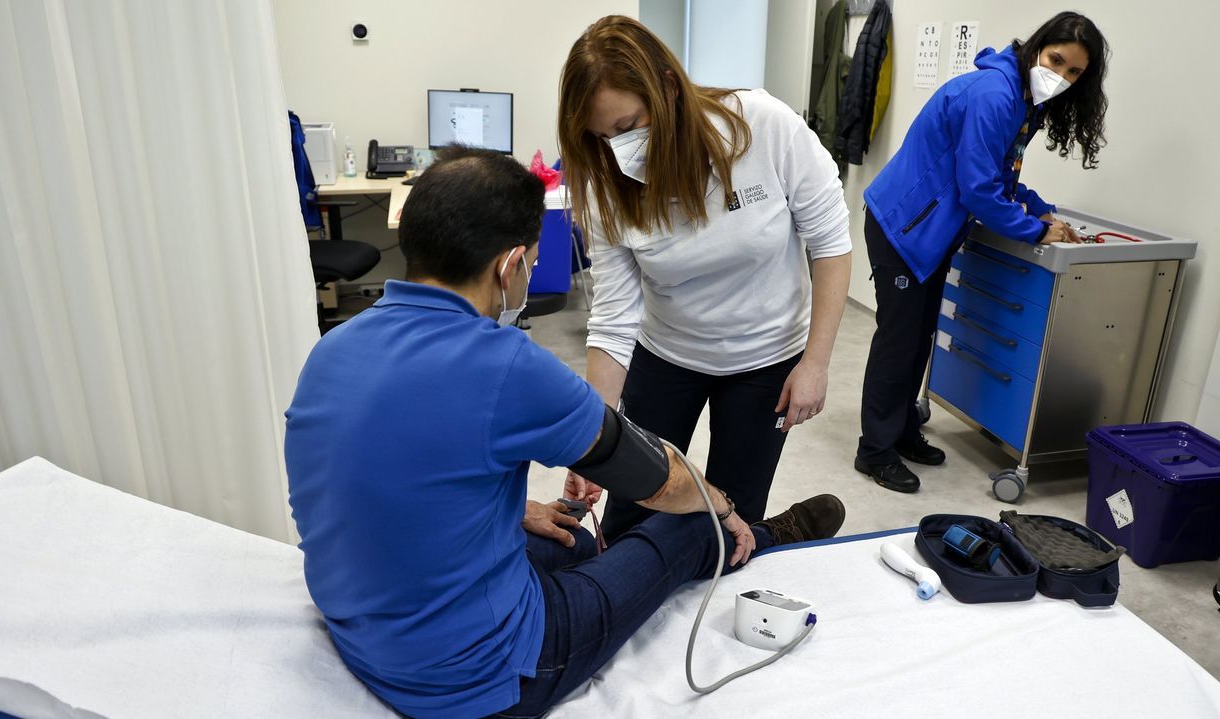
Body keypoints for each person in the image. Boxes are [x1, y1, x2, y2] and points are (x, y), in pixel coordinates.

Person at [283, 146, 846, 719]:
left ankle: (654, 546)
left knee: (573, 539)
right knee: (689, 521)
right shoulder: (506, 366)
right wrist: (720, 504)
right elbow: (659, 480)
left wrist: (516, 511)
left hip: (365, 639)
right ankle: (760, 536)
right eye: (529, 262)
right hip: (484, 681)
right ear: (511, 266)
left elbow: (370, 480)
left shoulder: (334, 349)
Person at [557, 15, 853, 541]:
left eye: (626, 128)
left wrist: (816, 364)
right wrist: (591, 438)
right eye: (600, 137)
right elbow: (612, 321)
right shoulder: (606, 186)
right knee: (631, 507)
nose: (616, 149)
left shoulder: (761, 126)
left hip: (766, 358)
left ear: (668, 87)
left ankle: (767, 537)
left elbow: (831, 246)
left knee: (732, 516)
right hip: (667, 353)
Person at [855, 12, 1109, 493]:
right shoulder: (995, 95)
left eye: (1075, 72)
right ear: (1038, 48)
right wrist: (1034, 231)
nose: (1062, 76)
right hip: (904, 228)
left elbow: (1001, 174)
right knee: (898, 342)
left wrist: (1042, 211)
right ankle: (875, 451)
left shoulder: (1022, 100)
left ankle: (903, 430)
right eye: (1056, 60)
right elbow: (977, 191)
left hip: (932, 229)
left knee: (919, 336)